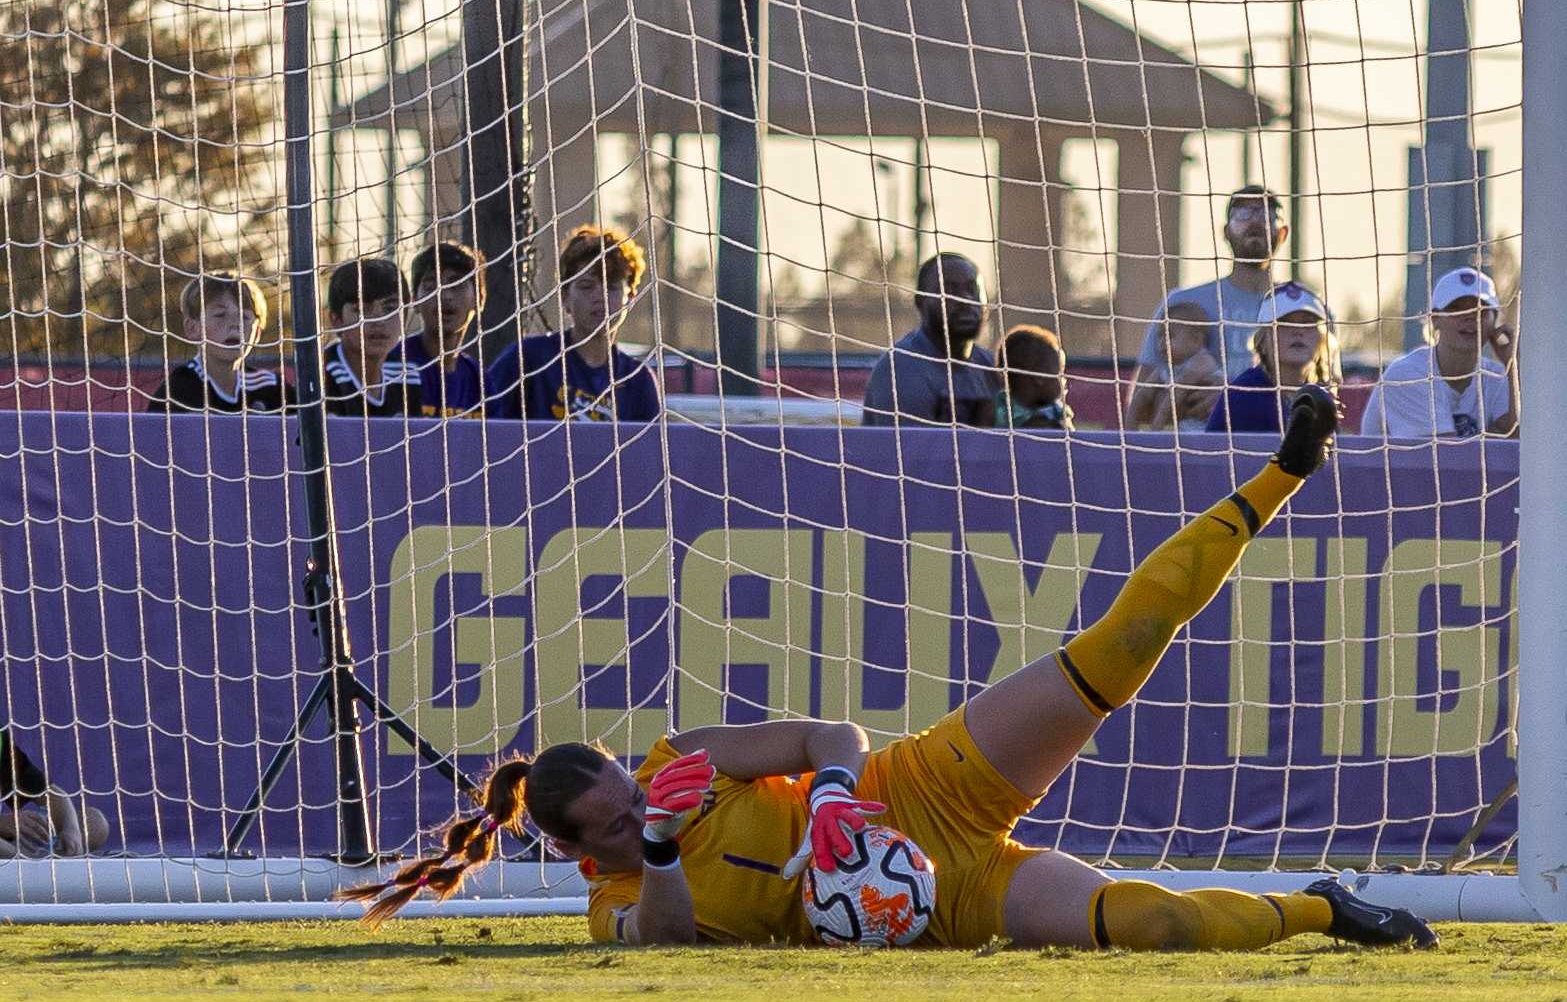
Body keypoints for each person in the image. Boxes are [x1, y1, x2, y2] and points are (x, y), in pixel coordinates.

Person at [341, 391, 1437, 953]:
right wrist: (665, 847)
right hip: (941, 899)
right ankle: (1319, 911)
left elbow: (832, 739)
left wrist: (828, 804)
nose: (640, 812)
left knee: (1120, 648)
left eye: (633, 797)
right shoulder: (619, 901)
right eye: (619, 825)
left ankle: (1281, 474)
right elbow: (668, 942)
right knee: (1153, 931)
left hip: (916, 791)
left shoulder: (685, 759)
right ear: (581, 855)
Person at [486, 224, 663, 422]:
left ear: (630, 297)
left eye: (612, 288)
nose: (600, 297)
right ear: (565, 297)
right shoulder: (527, 360)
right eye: (586, 286)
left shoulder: (638, 380)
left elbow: (651, 450)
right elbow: (484, 430)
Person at [1130, 185, 1287, 375]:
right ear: (1225, 232)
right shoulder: (1181, 303)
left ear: (1283, 233)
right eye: (1242, 214)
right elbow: (1143, 391)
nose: (1255, 222)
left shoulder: (1306, 310)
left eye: (1267, 215)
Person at [1358, 266, 1517, 439]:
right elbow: (1445, 456)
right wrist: (1496, 437)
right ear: (1435, 320)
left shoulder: (1498, 375)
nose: (1470, 317)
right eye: (1456, 309)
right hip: (1393, 467)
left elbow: (1522, 444)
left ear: (1495, 322)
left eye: (1481, 310)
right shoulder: (1408, 375)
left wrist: (1514, 363)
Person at [862, 252, 1001, 428]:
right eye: (949, 291)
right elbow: (913, 452)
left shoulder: (990, 366)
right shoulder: (902, 370)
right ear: (921, 302)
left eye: (972, 290)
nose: (964, 299)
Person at [1205, 282, 1339, 433]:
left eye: (1307, 322)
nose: (1298, 330)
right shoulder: (1246, 394)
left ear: (1321, 337)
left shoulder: (1320, 394)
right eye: (1285, 322)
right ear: (1263, 338)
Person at [148, 274, 286, 413]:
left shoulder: (273, 388)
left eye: (244, 317)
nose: (234, 325)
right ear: (192, 328)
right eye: (220, 315)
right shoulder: (178, 389)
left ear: (257, 333)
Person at [399, 239, 487, 417]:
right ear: (414, 300)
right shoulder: (394, 365)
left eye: (457, 285)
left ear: (479, 299)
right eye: (431, 287)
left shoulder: (480, 382)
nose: (445, 296)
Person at [319, 256, 412, 418]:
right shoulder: (321, 378)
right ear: (337, 320)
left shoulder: (408, 376)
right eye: (362, 309)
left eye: (389, 309)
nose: (378, 320)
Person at [0, 723, 111, 859]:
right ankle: (30, 862)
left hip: (8, 842)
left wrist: (71, 830)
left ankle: (45, 857)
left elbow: (50, 794)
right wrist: (2, 823)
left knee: (95, 822)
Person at [1123, 299, 1225, 431]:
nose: (1162, 342)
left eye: (1169, 336)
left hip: (1212, 432)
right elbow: (1141, 397)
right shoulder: (1165, 368)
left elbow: (1176, 394)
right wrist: (1129, 431)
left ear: (1196, 340)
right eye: (1160, 336)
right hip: (1186, 433)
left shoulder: (1203, 362)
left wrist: (1156, 428)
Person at [997, 324, 1073, 430]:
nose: (1064, 380)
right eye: (1060, 373)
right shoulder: (997, 407)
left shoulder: (1057, 411)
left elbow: (1072, 439)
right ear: (1040, 378)